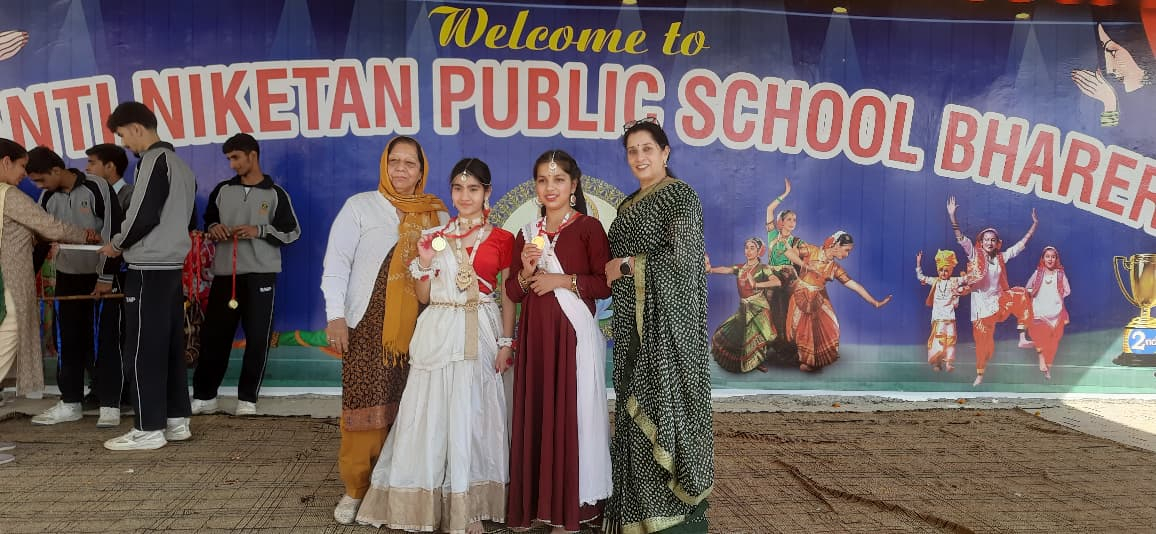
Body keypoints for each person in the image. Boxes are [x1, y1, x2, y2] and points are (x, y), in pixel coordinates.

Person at [355, 157, 515, 534]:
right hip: (438, 328)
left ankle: (469, 508)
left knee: (473, 414)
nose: (465, 196)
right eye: (458, 188)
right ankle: (421, 505)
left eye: (473, 189)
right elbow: (424, 296)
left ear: (487, 193)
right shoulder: (435, 236)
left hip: (480, 329)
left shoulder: (503, 239)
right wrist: (425, 262)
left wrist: (507, 342)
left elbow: (509, 294)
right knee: (430, 412)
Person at [320, 136, 449, 524]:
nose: (401, 169)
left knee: (416, 408)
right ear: (384, 164)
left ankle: (401, 489)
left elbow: (447, 271)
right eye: (395, 161)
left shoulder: (437, 216)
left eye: (410, 163)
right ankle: (356, 488)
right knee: (365, 408)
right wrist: (335, 316)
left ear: (422, 171)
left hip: (422, 328)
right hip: (367, 326)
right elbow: (336, 265)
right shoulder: (360, 207)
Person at [602, 118, 713, 534]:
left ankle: (674, 520)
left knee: (663, 411)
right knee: (632, 421)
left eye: (647, 148)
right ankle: (636, 518)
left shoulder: (680, 196)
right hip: (632, 329)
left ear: (665, 152)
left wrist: (627, 265)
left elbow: (683, 259)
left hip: (667, 333)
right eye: (632, 151)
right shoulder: (627, 205)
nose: (639, 157)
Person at [505, 150, 613, 533]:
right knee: (537, 413)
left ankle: (569, 513)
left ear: (574, 185)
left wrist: (561, 281)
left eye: (558, 180)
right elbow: (513, 292)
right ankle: (536, 507)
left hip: (571, 340)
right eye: (542, 180)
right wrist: (526, 271)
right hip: (536, 340)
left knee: (569, 416)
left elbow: (604, 284)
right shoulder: (526, 233)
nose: (550, 187)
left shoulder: (589, 228)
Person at [98, 101, 197, 451]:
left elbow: (142, 214)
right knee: (168, 346)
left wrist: (117, 244)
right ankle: (176, 420)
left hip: (148, 269)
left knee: (141, 349)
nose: (124, 143)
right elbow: (187, 219)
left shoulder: (154, 161)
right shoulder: (182, 166)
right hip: (170, 269)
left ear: (137, 128)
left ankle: (147, 428)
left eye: (123, 135)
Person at [191, 133, 300, 416]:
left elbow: (292, 233)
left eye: (236, 157)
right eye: (229, 159)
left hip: (261, 277)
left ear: (253, 155)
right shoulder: (222, 190)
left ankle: (247, 400)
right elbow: (209, 220)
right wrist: (214, 228)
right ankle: (205, 397)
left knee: (257, 338)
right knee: (214, 337)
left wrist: (259, 230)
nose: (232, 164)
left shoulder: (276, 194)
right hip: (225, 275)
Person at [24, 147, 124, 428]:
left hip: (100, 276)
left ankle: (110, 404)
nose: (38, 186)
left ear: (57, 170)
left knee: (104, 341)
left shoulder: (97, 186)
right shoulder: (47, 198)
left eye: (41, 180)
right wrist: (28, 279)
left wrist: (106, 277)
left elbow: (114, 231)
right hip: (67, 276)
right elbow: (41, 241)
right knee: (67, 340)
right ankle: (70, 403)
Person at [0, 139, 91, 401]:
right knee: (10, 335)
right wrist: (86, 235)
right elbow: (49, 226)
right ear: (6, 162)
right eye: (21, 166)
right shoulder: (9, 195)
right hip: (9, 285)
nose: (24, 175)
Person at [947, 196, 1037, 386]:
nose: (989, 242)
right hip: (981, 311)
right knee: (985, 346)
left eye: (992, 240)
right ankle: (980, 374)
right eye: (986, 239)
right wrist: (952, 216)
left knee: (1021, 294)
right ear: (981, 242)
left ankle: (1022, 337)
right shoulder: (974, 255)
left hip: (998, 303)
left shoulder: (1000, 258)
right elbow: (961, 239)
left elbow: (1019, 246)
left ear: (997, 243)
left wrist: (1034, 226)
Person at [784, 231, 892, 372]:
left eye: (849, 251)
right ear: (836, 245)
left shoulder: (834, 268)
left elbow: (855, 285)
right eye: (846, 250)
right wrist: (805, 266)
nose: (847, 254)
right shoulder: (812, 250)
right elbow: (789, 253)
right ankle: (805, 361)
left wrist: (875, 302)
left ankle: (814, 360)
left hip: (818, 298)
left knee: (830, 327)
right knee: (803, 330)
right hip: (801, 295)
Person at [706, 238, 780, 373]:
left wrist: (757, 284)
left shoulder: (763, 268)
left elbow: (776, 282)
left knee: (761, 334)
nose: (748, 251)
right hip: (744, 307)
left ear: (759, 251)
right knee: (741, 333)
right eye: (746, 247)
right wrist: (710, 269)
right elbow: (726, 269)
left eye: (752, 248)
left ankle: (758, 361)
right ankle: (751, 360)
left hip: (759, 307)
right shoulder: (740, 268)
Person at [763, 178, 803, 365]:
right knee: (770, 311)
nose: (792, 222)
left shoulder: (796, 241)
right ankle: (773, 345)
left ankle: (788, 348)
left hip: (788, 279)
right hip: (772, 277)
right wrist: (785, 194)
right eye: (789, 219)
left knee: (787, 312)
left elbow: (798, 261)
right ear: (781, 222)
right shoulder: (772, 234)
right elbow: (769, 209)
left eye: (794, 220)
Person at [915, 250, 970, 372]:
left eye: (946, 270)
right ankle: (938, 362)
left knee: (950, 340)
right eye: (941, 270)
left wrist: (966, 272)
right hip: (938, 318)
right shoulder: (935, 281)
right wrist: (918, 262)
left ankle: (949, 363)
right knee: (939, 340)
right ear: (938, 270)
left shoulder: (954, 281)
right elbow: (921, 277)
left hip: (950, 317)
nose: (943, 273)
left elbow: (968, 279)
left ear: (950, 270)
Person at [1022, 246, 1070, 380]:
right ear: (1043, 258)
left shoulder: (1060, 274)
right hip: (1039, 310)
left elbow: (1067, 290)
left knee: (1052, 343)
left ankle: (1048, 369)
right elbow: (1027, 288)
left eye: (1053, 257)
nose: (1050, 259)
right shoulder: (1038, 273)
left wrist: (1057, 298)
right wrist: (1035, 294)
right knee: (1039, 335)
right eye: (1047, 256)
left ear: (1056, 259)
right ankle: (1041, 357)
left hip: (1055, 313)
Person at [85, 143, 133, 210]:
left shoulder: (132, 196)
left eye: (92, 163)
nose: (86, 168)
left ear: (109, 166)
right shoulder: (93, 198)